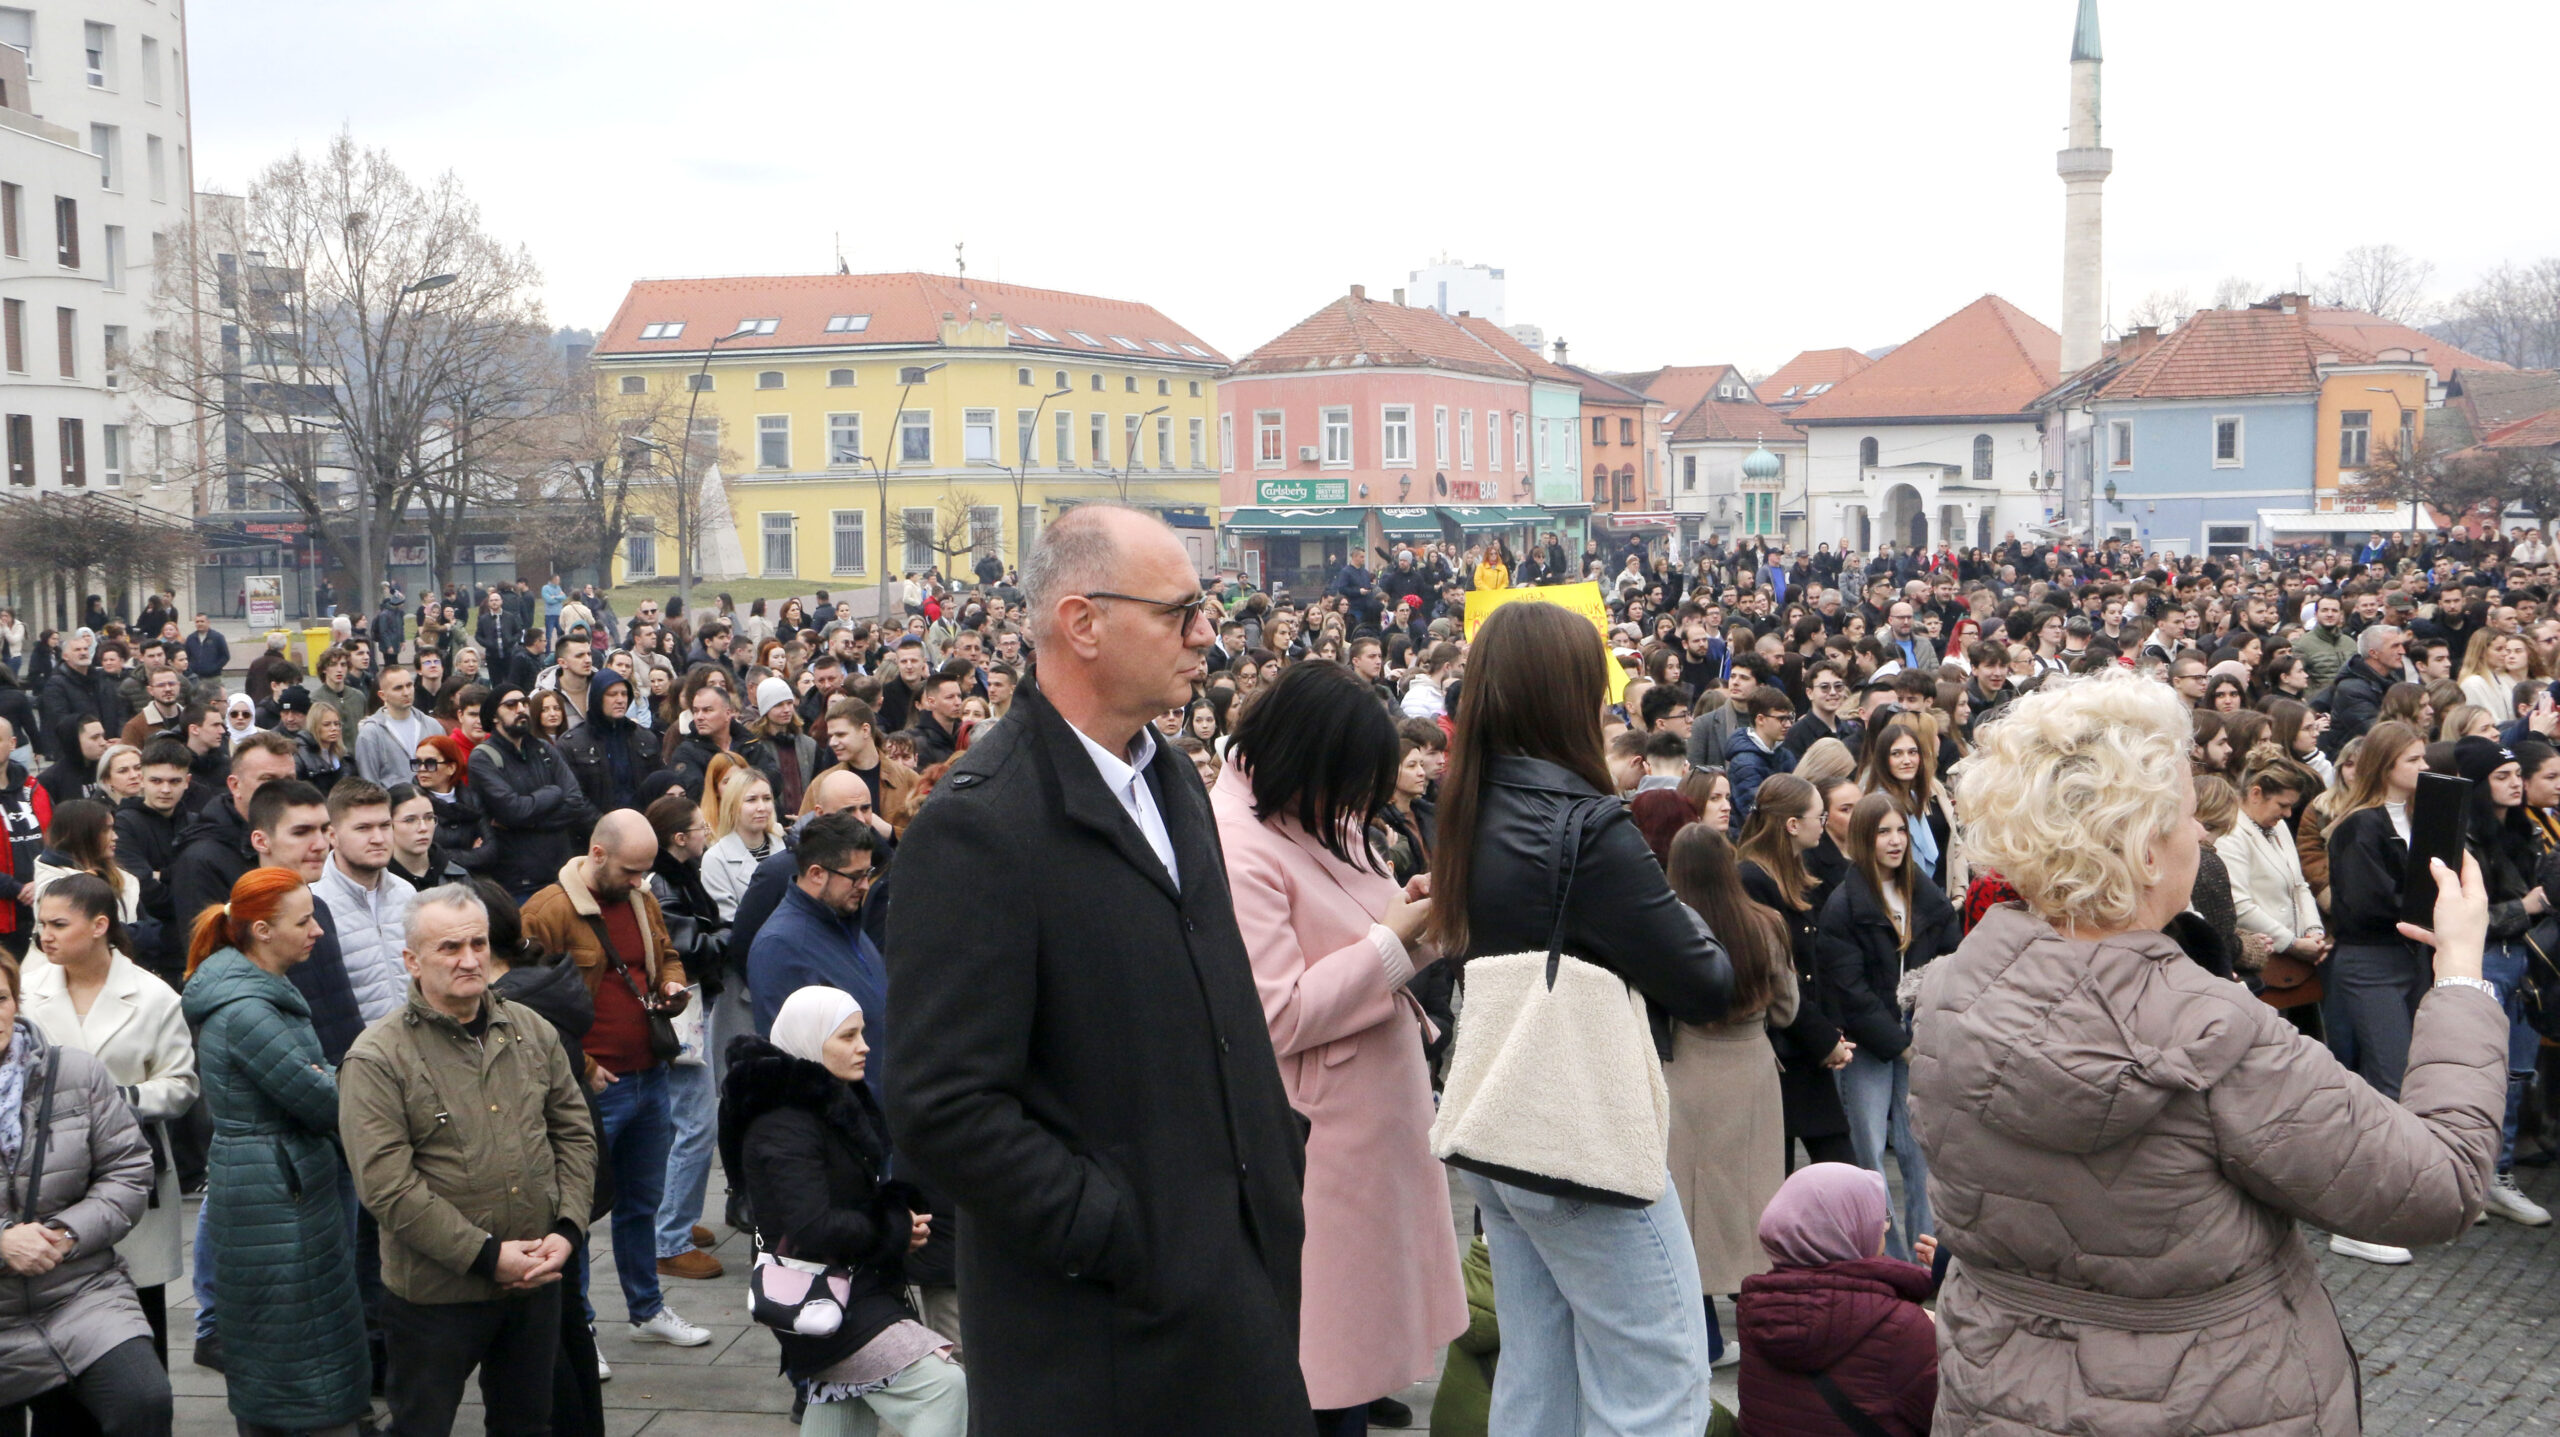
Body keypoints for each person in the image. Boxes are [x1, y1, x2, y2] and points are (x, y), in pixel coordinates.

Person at [1910, 668, 2510, 1435]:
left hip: (2004, 1397)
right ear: (2145, 852)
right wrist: (2460, 975)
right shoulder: (2215, 1032)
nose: (2201, 833)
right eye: (2189, 816)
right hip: (2212, 1397)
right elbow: (2443, 1183)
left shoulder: (1955, 989)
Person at [882, 505, 1315, 1434]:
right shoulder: (980, 825)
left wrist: (1275, 1151)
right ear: (1082, 623)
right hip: (1103, 1342)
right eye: (1179, 612)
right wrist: (1117, 1229)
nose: (1209, 634)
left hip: (1234, 1289)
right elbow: (942, 1103)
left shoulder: (1168, 779)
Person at [1424, 600, 1734, 1436]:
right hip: (1575, 1127)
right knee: (1658, 1377)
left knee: (1542, 1369)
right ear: (1563, 696)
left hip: (1499, 1118)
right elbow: (1707, 977)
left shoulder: (1467, 805)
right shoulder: (1588, 824)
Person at [1211, 661, 1462, 1434]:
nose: (1358, 804)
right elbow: (1276, 1012)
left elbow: (1370, 937)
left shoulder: (1313, 810)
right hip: (1316, 1143)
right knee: (1323, 1373)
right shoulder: (1239, 838)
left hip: (1365, 1133)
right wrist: (1395, 939)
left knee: (1352, 1364)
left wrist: (1412, 925)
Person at [338, 884, 596, 1437]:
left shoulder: (532, 1031)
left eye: (478, 943)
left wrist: (568, 1229)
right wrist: (484, 1256)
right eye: (449, 948)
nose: (470, 959)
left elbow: (575, 1134)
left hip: (534, 1278)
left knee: (528, 1423)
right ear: (411, 961)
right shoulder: (377, 1057)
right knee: (421, 1426)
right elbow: (386, 1187)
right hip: (436, 1295)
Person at [722, 987, 966, 1437]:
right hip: (820, 1295)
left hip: (848, 1285)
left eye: (863, 1033)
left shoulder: (824, 1108)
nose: (864, 1046)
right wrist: (891, 1226)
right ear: (813, 1041)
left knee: (845, 1407)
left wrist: (895, 1219)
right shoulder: (784, 1123)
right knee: (943, 1385)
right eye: (849, 1036)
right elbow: (812, 1227)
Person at [179, 868, 372, 1436]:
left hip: (276, 1178)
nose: (317, 930)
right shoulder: (247, 1011)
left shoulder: (252, 991)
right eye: (304, 920)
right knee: (294, 1327)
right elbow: (322, 1098)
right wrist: (337, 1079)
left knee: (290, 1323)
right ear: (261, 930)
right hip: (274, 1186)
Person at [519, 811, 710, 1350]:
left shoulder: (641, 897)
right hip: (592, 1090)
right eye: (630, 870)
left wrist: (671, 985)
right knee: (576, 1211)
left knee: (642, 1202)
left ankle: (646, 1308)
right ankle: (580, 1329)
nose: (638, 881)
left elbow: (667, 955)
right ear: (597, 855)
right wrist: (578, 1066)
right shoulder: (547, 912)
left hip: (649, 1076)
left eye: (645, 872)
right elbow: (523, 1002)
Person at [0, 942, 172, 1437]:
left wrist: (67, 1234)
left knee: (144, 1400)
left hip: (80, 1291)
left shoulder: (73, 1072)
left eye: (1, 998)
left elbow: (128, 1170)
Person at [1662, 822, 1798, 1372]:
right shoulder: (1766, 923)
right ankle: (1765, 1330)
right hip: (1751, 1072)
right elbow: (1787, 1008)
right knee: (1754, 1203)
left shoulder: (1667, 930)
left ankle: (1707, 1340)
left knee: (1688, 1210)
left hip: (1686, 1068)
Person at [1815, 792, 1960, 1260]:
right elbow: (1851, 990)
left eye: (1901, 829)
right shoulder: (1844, 905)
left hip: (1917, 1034)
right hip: (1869, 1045)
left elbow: (1951, 956)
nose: (1896, 841)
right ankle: (1890, 1258)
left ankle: (1927, 1255)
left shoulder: (1924, 891)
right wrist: (1899, 1044)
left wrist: (1926, 1027)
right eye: (1883, 832)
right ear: (1865, 838)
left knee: (1922, 1153)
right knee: (1870, 1155)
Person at [1734, 1163, 1937, 1437]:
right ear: (1848, 1229)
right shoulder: (1901, 1326)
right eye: (1877, 1216)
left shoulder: (1755, 1306)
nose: (1885, 1227)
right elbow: (1955, 1414)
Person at [1737, 774, 1856, 1170]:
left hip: (1801, 1048)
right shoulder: (1753, 879)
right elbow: (1777, 978)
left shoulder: (1781, 874)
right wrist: (1824, 1040)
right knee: (1785, 1172)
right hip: (1782, 1051)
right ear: (1792, 824)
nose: (1822, 825)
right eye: (1818, 817)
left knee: (1838, 1164)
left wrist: (1828, 1034)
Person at [745, 812, 884, 1038]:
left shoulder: (846, 921)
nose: (865, 885)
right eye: (856, 876)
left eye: (868, 873)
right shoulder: (779, 947)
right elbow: (792, 1053)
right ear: (817, 874)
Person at [469, 687, 598, 902]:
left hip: (560, 870)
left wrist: (530, 824)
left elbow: (575, 802)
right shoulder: (483, 758)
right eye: (511, 705)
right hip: (518, 878)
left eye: (524, 703)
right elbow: (513, 811)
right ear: (493, 716)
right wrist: (553, 792)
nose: (521, 709)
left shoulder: (544, 749)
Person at [559, 673, 657, 820]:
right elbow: (574, 797)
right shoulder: (571, 744)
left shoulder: (645, 738)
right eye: (612, 694)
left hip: (641, 827)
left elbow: (658, 785)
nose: (620, 700)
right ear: (598, 698)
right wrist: (605, 826)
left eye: (624, 694)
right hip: (596, 832)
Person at [701, 765, 781, 922]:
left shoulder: (787, 847)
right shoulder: (716, 858)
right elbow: (728, 921)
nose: (762, 807)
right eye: (751, 800)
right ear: (732, 806)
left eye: (767, 799)